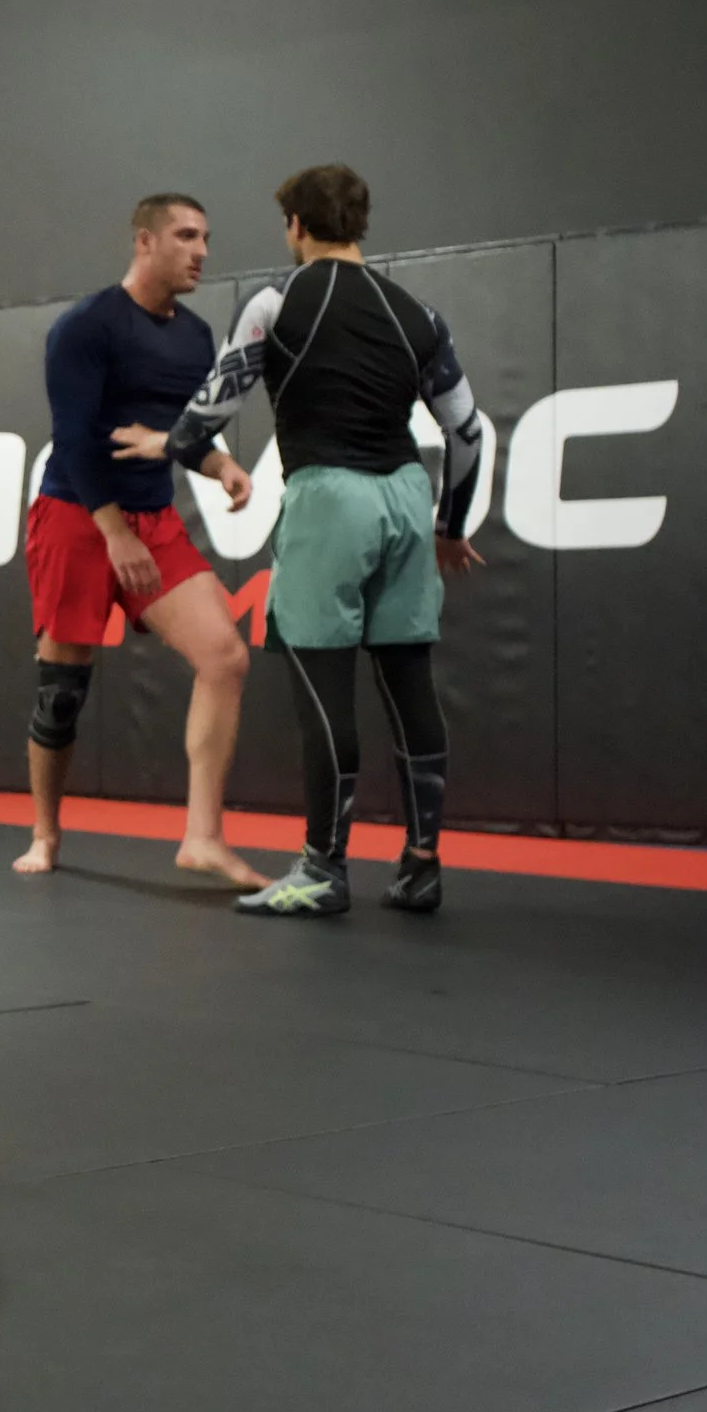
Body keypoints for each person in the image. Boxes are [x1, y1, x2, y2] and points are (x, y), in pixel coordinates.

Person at [114, 165, 484, 917]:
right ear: (359, 222)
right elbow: (469, 432)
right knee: (409, 683)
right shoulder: (419, 313)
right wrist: (449, 525)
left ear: (295, 226)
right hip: (407, 498)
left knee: (325, 691)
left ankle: (323, 869)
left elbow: (204, 418)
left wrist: (171, 442)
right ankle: (421, 863)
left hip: (329, 499)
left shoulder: (278, 302)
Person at [13, 195, 267, 890]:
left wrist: (221, 466)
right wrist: (113, 532)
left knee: (224, 656)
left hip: (153, 521)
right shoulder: (85, 327)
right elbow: (74, 438)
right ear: (145, 241)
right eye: (186, 236)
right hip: (77, 516)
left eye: (207, 237)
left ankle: (202, 837)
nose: (202, 250)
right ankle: (45, 831)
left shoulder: (195, 334)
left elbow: (186, 426)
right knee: (62, 691)